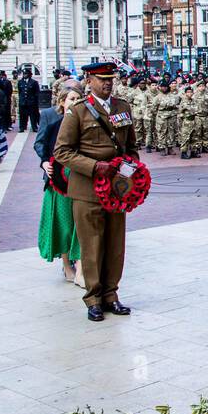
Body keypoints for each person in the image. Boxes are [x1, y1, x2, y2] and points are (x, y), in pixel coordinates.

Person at [52, 62, 139, 322]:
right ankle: (94, 298)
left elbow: (130, 146)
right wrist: (94, 167)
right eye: (101, 79)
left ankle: (111, 294)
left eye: (110, 78)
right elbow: (62, 151)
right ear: (89, 80)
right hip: (88, 188)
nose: (107, 83)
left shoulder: (123, 107)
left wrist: (130, 167)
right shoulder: (77, 111)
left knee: (115, 244)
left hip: (116, 188)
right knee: (92, 244)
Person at [36, 80, 85, 286]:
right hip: (58, 181)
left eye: (78, 98)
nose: (75, 102)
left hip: (81, 179)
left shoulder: (87, 121)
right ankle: (67, 265)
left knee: (81, 225)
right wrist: (45, 162)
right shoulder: (51, 120)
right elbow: (41, 144)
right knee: (64, 225)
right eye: (71, 99)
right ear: (62, 102)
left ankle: (82, 269)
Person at [17, 68, 41, 133]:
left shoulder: (34, 82)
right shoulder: (20, 82)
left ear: (29, 75)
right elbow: (20, 92)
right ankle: (22, 127)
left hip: (31, 102)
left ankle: (34, 127)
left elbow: (37, 93)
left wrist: (35, 101)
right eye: (24, 74)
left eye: (26, 74)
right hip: (23, 102)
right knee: (22, 116)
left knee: (33, 116)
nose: (24, 75)